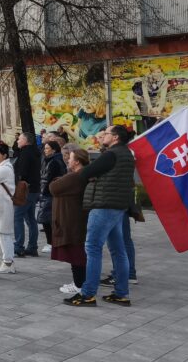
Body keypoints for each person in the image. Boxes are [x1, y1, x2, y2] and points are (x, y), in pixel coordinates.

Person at [64, 125, 134, 307]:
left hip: (104, 205)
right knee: (118, 251)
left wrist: (94, 178)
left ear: (116, 137)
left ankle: (87, 294)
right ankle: (121, 293)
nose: (103, 135)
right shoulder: (127, 153)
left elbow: (86, 172)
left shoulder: (111, 154)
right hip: (118, 206)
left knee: (93, 248)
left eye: (107, 133)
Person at [49, 148, 91, 295]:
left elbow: (53, 187)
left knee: (76, 253)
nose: (68, 160)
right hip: (77, 218)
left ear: (77, 161)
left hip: (72, 219)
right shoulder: (82, 175)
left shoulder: (76, 176)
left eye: (70, 158)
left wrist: (57, 180)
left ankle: (79, 285)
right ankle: (80, 282)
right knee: (78, 252)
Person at [12, 133, 41, 257]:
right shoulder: (35, 151)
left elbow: (22, 172)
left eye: (19, 139)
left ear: (26, 141)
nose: (17, 141)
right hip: (34, 189)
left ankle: (19, 247)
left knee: (17, 217)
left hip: (25, 189)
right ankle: (32, 246)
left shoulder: (25, 153)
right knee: (30, 219)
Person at [37, 140, 67, 253]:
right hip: (48, 193)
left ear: (54, 150)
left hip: (50, 194)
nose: (45, 150)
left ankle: (52, 243)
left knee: (48, 219)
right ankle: (53, 242)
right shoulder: (49, 160)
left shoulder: (54, 161)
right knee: (48, 219)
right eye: (45, 148)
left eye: (47, 148)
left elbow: (49, 178)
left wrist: (44, 191)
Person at [0, 143, 17, 275]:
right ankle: (8, 261)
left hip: (4, 205)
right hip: (2, 204)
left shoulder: (4, 169)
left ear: (5, 155)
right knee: (2, 233)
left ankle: (8, 262)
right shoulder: (4, 167)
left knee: (3, 233)